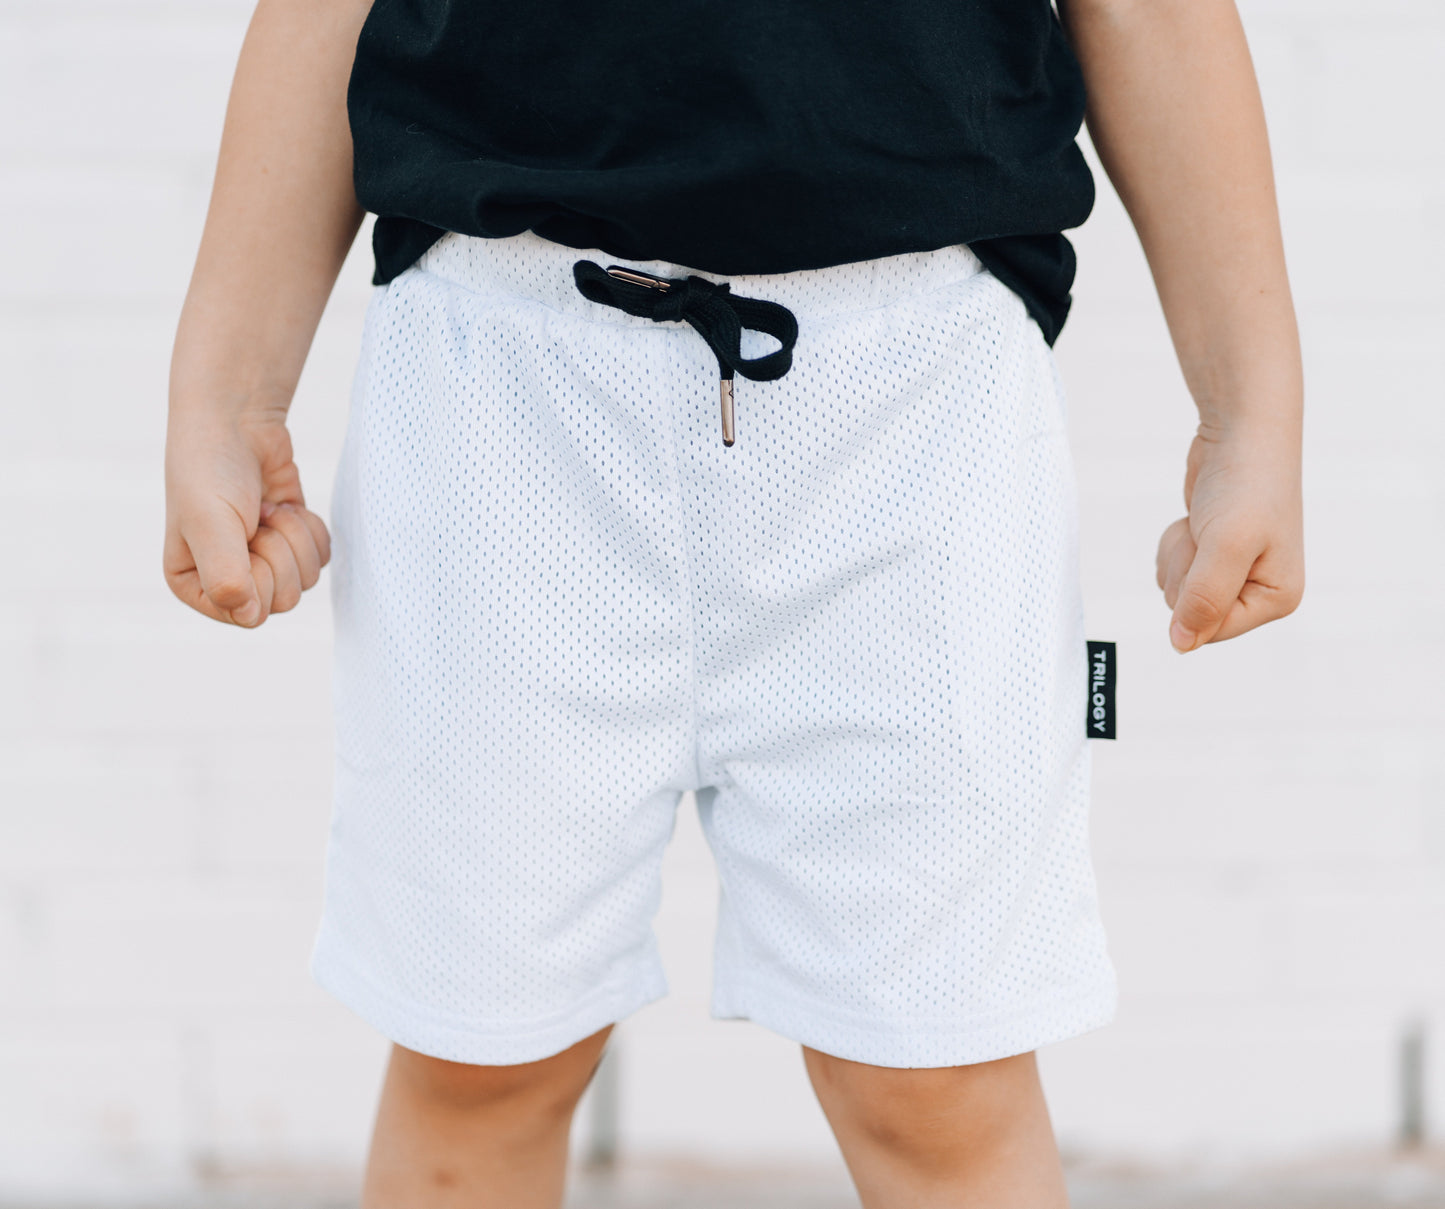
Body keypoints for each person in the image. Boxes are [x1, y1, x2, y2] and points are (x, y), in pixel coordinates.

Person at [162, 0, 1305, 1203]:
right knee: (480, 1055)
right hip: (498, 390)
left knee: (936, 1073)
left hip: (916, 400)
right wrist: (232, 390)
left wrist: (1245, 408)